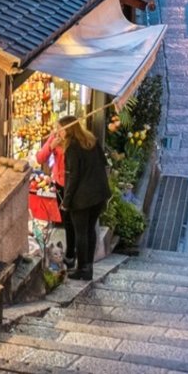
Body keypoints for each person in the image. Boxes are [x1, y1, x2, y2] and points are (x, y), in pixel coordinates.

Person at [60, 116, 109, 281]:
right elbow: (104, 162)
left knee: (81, 232)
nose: (57, 132)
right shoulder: (91, 141)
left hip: (82, 198)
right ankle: (88, 268)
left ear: (68, 130)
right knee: (90, 230)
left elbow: (73, 177)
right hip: (98, 194)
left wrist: (66, 202)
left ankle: (82, 268)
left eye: (59, 129)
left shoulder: (72, 148)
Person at [34, 115, 77, 269]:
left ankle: (72, 253)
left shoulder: (74, 143)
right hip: (59, 184)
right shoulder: (54, 139)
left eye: (60, 129)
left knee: (72, 220)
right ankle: (70, 253)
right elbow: (39, 158)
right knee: (66, 220)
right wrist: (51, 146)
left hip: (73, 185)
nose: (57, 131)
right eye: (56, 128)